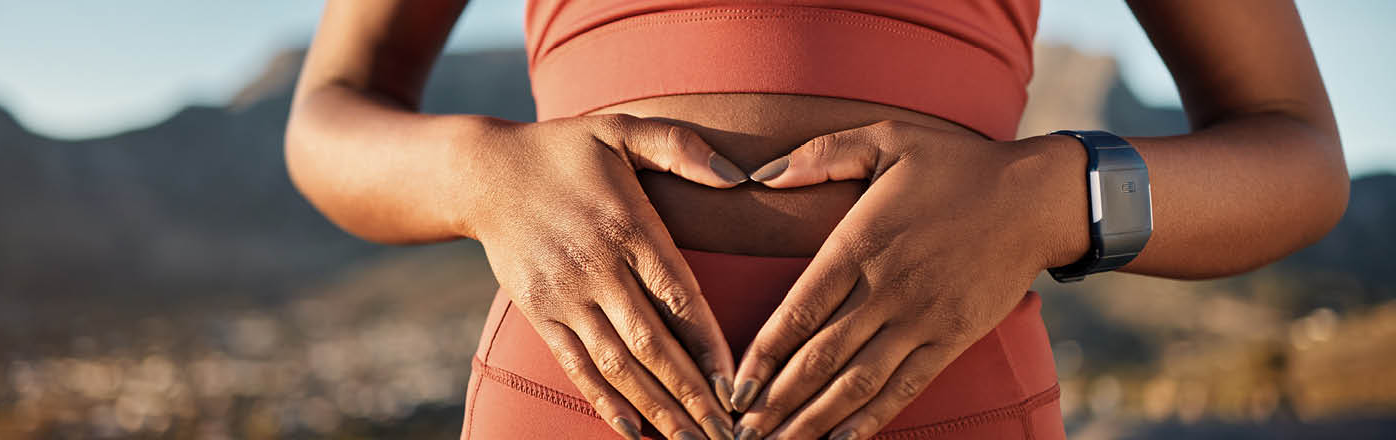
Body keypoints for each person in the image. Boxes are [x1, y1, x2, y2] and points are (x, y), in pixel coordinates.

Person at [283, 1, 1348, 439]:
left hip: (942, 399)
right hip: (578, 394)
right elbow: (329, 116)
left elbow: (1298, 155)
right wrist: (485, 173)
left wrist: (1046, 198)